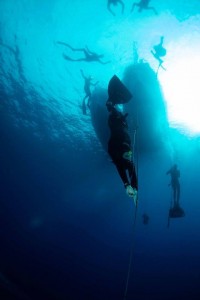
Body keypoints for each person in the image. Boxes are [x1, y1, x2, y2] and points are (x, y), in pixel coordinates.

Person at [106, 99, 138, 206]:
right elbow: (111, 110)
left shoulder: (120, 122)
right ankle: (131, 187)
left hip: (116, 146)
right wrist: (110, 104)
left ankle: (129, 186)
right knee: (127, 164)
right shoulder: (116, 117)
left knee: (123, 163)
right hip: (120, 143)